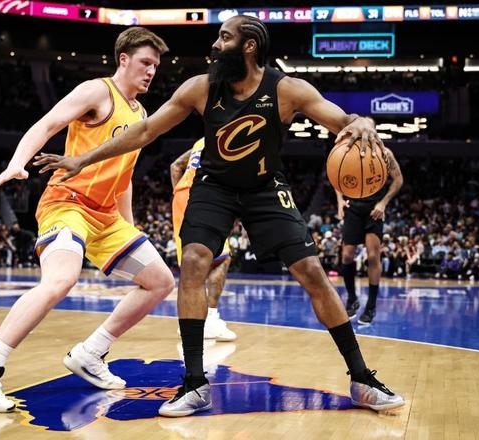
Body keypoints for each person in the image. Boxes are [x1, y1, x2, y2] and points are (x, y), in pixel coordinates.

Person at [34, 15, 405, 416]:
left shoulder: (286, 89)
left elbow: (343, 121)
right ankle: (195, 384)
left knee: (312, 271)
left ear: (249, 46)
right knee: (194, 262)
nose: (215, 45)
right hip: (214, 188)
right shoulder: (201, 87)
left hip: (265, 188)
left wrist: (363, 121)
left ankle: (362, 378)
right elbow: (144, 131)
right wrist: (82, 159)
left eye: (224, 37)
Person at [0, 27, 175, 413]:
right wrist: (17, 163)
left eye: (155, 66)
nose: (151, 71)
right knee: (61, 279)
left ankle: (91, 352)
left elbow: (123, 177)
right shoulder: (97, 91)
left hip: (106, 216)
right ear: (123, 59)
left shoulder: (140, 113)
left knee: (160, 281)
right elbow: (48, 123)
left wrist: (129, 225)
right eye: (145, 62)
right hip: (68, 203)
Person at [171, 137, 236, 342]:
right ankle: (210, 320)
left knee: (194, 262)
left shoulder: (203, 140)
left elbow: (175, 166)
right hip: (205, 194)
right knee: (221, 258)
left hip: (182, 195)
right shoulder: (233, 135)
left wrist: (178, 193)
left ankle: (189, 322)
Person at [336, 149, 403, 324]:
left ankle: (371, 306)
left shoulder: (385, 153)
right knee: (347, 256)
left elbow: (398, 179)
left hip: (374, 209)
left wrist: (383, 203)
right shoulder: (348, 151)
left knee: (373, 256)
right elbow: (335, 174)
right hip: (353, 207)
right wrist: (340, 200)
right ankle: (352, 298)